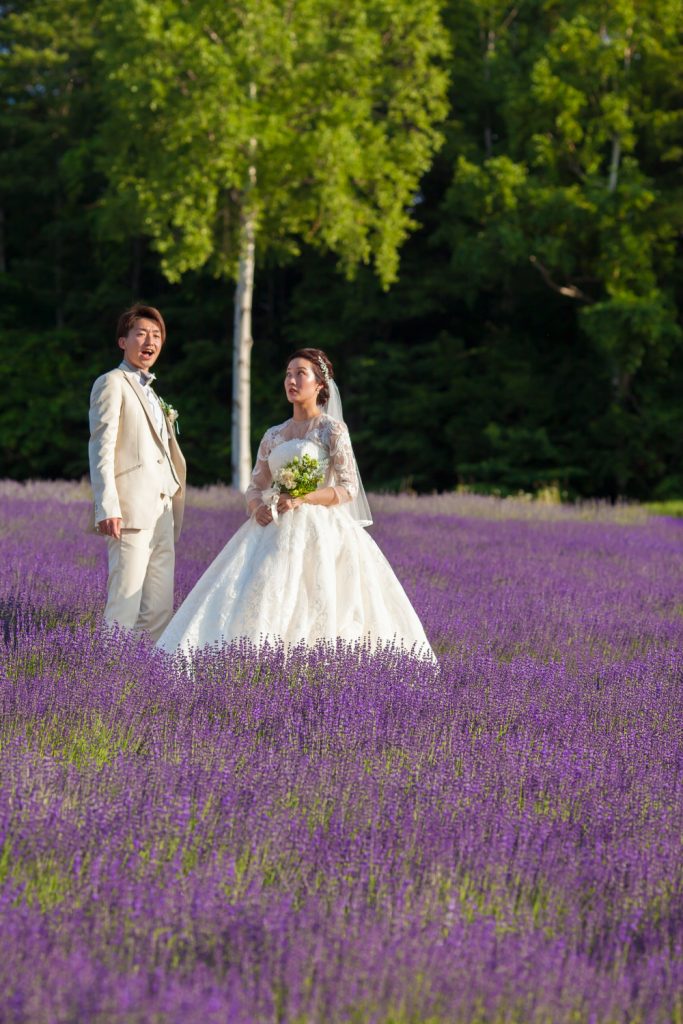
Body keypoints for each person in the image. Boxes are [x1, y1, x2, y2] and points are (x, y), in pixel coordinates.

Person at [157, 348, 434, 660]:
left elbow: (348, 488)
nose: (291, 380)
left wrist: (305, 498)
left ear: (319, 384)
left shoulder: (332, 429)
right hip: (273, 526)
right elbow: (255, 486)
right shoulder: (274, 435)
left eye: (300, 373)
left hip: (322, 529)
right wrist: (256, 507)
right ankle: (253, 660)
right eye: (288, 374)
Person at [89, 303, 186, 641]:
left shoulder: (153, 392)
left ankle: (143, 684)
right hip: (129, 512)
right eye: (141, 333)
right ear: (122, 341)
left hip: (162, 512)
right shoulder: (111, 383)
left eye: (156, 336)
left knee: (159, 610)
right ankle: (107, 681)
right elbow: (101, 449)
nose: (150, 341)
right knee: (124, 605)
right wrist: (108, 507)